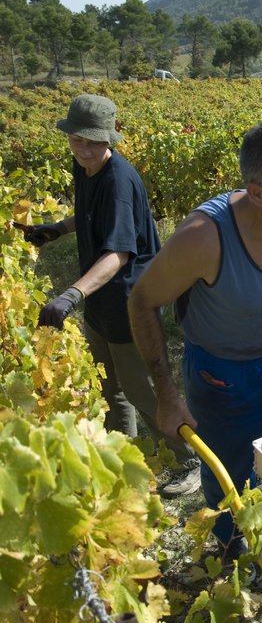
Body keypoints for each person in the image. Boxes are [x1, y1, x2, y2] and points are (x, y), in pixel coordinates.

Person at [127, 117, 262, 560]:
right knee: (232, 488)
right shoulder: (204, 238)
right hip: (223, 376)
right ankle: (235, 564)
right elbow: (141, 302)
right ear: (257, 192)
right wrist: (167, 397)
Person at [22, 93, 201, 494]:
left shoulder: (119, 180)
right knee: (109, 385)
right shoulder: (86, 166)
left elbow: (119, 253)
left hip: (128, 299)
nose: (83, 149)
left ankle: (191, 461)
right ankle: (123, 452)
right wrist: (57, 229)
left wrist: (71, 294)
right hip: (100, 297)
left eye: (92, 141)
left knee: (145, 389)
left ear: (109, 139)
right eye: (76, 140)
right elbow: (88, 213)